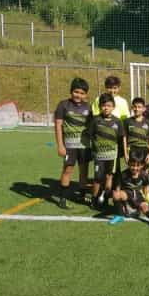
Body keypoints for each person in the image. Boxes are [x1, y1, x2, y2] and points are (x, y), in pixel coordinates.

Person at [54, 78, 92, 209]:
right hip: (69, 145)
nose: (78, 95)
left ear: (86, 95)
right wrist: (60, 145)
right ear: (71, 91)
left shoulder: (89, 107)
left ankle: (82, 196)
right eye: (76, 92)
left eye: (82, 93)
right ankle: (62, 199)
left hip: (85, 145)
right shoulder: (63, 105)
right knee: (68, 169)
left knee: (84, 171)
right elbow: (58, 125)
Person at [110, 150, 149, 228]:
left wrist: (146, 201)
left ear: (142, 165)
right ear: (128, 164)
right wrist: (121, 205)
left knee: (144, 207)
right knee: (116, 194)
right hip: (126, 196)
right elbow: (117, 190)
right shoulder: (123, 175)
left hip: (137, 196)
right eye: (132, 165)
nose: (135, 168)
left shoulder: (144, 176)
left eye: (137, 166)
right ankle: (119, 215)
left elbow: (146, 192)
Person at [89, 93, 124, 209]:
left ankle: (104, 198)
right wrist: (93, 150)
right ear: (100, 107)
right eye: (103, 105)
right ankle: (94, 199)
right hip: (99, 156)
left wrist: (122, 153)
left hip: (112, 156)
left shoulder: (118, 122)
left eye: (109, 105)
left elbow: (121, 138)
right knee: (98, 178)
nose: (106, 108)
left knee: (109, 176)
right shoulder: (95, 120)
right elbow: (91, 136)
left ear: (113, 107)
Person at [123, 97, 149, 166]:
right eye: (135, 107)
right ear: (132, 108)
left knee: (145, 171)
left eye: (139, 107)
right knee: (133, 170)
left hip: (144, 149)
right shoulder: (127, 121)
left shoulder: (148, 122)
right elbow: (124, 138)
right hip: (132, 149)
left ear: (144, 109)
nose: (137, 109)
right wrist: (125, 154)